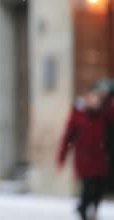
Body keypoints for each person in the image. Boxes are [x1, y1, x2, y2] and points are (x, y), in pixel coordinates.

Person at [57, 84, 114, 220]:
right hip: (85, 160)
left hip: (101, 158)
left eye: (96, 98)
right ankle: (83, 210)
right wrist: (62, 157)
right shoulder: (78, 115)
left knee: (99, 188)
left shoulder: (103, 114)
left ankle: (92, 210)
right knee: (89, 187)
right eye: (91, 98)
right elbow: (67, 138)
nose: (94, 101)